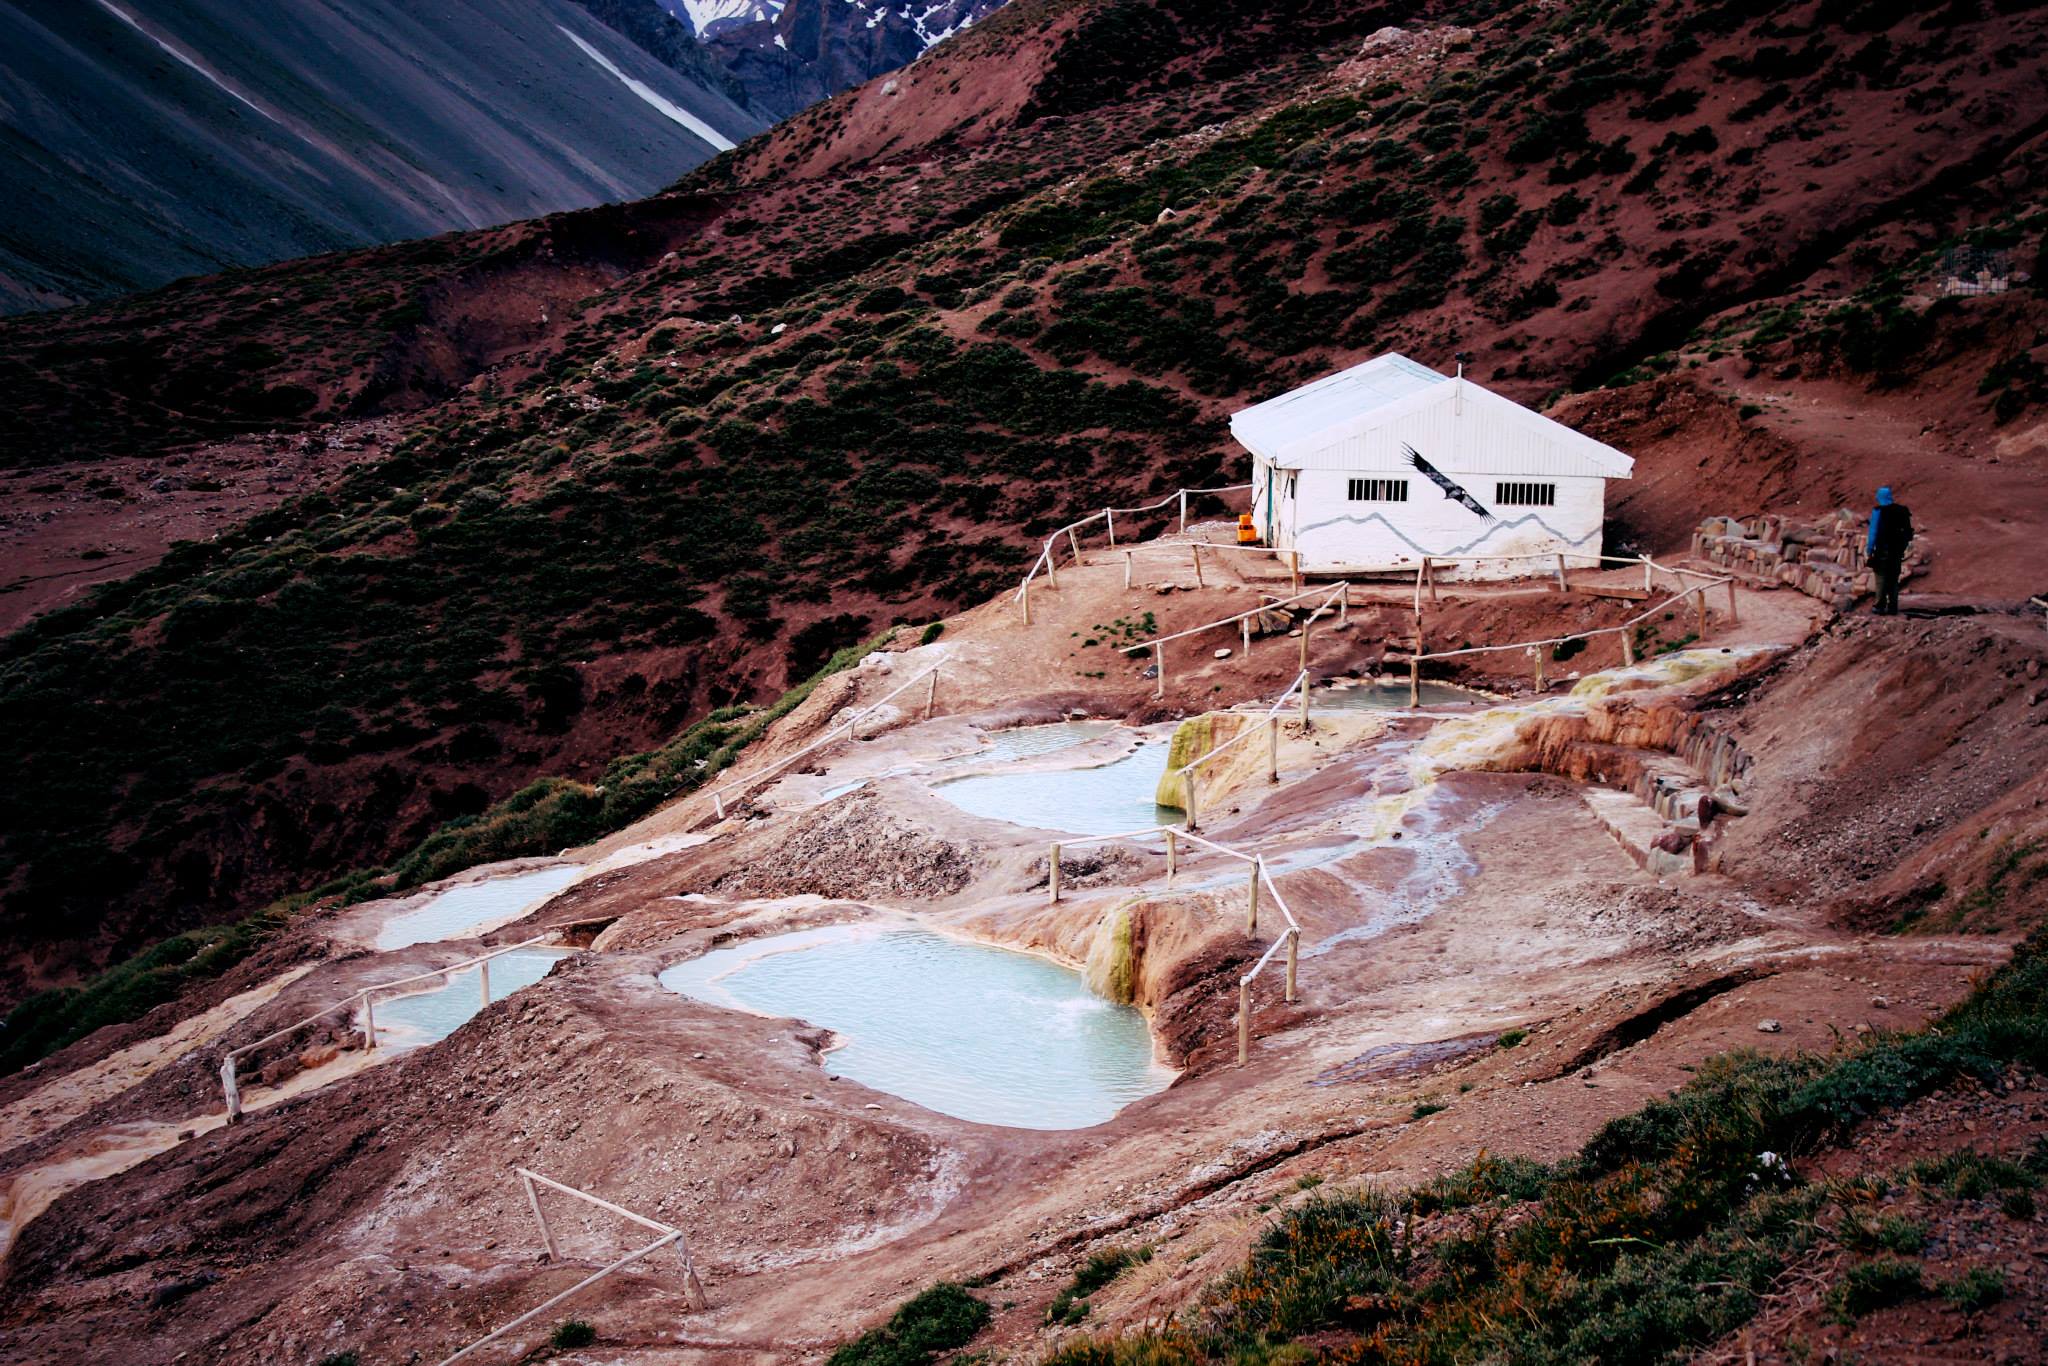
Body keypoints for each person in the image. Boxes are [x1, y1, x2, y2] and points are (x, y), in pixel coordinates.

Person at [1866, 486, 1913, 615]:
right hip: (1897, 551)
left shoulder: (1878, 511)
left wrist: (1870, 550)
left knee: (1881, 577)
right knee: (1893, 578)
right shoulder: (1902, 511)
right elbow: (1909, 532)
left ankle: (1879, 606)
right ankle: (1893, 606)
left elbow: (1873, 532)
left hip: (1882, 550)